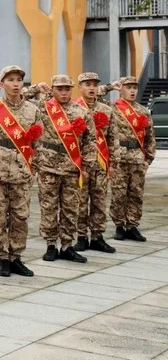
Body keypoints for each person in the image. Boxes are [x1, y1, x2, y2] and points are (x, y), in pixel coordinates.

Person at [24, 76, 96, 263]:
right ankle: (50, 245)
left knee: (71, 208)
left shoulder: (81, 111)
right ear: (53, 90)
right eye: (60, 89)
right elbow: (21, 98)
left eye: (67, 88)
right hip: (48, 167)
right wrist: (36, 88)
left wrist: (87, 166)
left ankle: (67, 246)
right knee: (48, 207)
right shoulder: (43, 108)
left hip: (72, 167)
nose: (64, 92)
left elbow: (90, 141)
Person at [0, 66, 43, 276]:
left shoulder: (32, 110)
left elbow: (39, 141)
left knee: (20, 215)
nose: (16, 84)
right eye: (11, 80)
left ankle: (16, 256)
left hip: (22, 170)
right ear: (3, 83)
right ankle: (1, 258)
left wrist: (36, 167)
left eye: (19, 80)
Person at [109, 75, 156, 241]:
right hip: (119, 158)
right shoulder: (113, 108)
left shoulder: (143, 111)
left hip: (137, 158)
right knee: (119, 193)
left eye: (134, 88)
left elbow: (150, 137)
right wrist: (109, 87)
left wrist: (148, 159)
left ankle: (132, 225)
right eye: (128, 87)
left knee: (136, 193)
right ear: (121, 89)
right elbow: (93, 100)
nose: (132, 91)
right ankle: (119, 226)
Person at [74, 72, 117, 253]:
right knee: (81, 201)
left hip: (101, 163)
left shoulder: (106, 110)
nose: (91, 88)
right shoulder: (74, 109)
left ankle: (98, 236)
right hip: (81, 164)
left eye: (94, 84)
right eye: (87, 84)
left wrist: (113, 163)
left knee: (99, 201)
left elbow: (113, 138)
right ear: (80, 87)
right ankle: (81, 237)